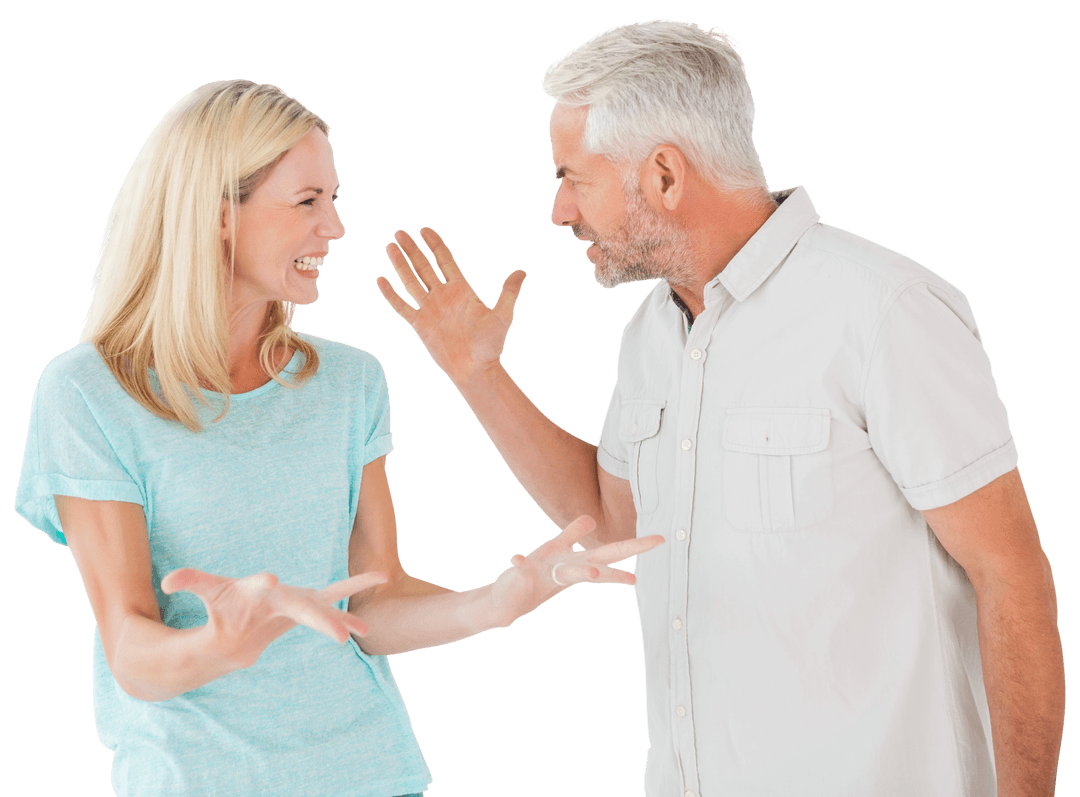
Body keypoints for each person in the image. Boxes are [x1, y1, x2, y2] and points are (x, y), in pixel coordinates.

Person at [378, 19, 1066, 797]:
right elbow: (612, 525)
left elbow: (1010, 571)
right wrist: (479, 375)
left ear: (665, 175)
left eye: (574, 177)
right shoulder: (649, 336)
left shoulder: (883, 312)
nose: (559, 211)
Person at [13, 79, 662, 797]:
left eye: (334, 198)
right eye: (307, 201)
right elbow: (130, 645)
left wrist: (495, 602)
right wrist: (219, 642)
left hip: (374, 776)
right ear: (217, 213)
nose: (336, 227)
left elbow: (370, 607)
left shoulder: (349, 383)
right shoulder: (89, 394)